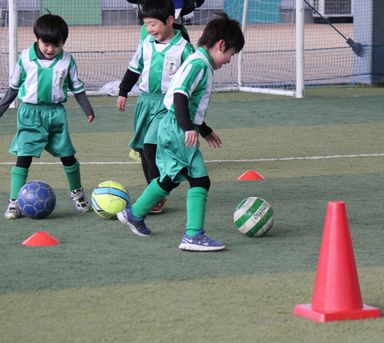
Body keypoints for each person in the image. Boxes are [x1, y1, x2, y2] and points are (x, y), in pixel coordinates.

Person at [117, 12, 245, 251]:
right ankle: (193, 235)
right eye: (231, 54)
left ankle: (134, 214)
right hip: (177, 128)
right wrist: (188, 128)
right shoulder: (199, 64)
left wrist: (203, 129)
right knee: (200, 180)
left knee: (169, 179)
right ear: (221, 45)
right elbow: (179, 95)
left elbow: (186, 98)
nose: (229, 60)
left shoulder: (199, 61)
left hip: (173, 126)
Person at [0, 13, 95, 220]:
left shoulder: (68, 61)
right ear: (37, 38)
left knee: (68, 156)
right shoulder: (25, 58)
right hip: (30, 114)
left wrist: (88, 109)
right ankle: (15, 202)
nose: (51, 49)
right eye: (46, 44)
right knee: (23, 157)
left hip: (55, 115)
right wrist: (2, 108)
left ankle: (77, 194)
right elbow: (13, 88)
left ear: (63, 43)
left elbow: (77, 89)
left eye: (57, 45)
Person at [117, 0, 195, 214]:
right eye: (146, 25)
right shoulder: (146, 45)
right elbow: (134, 69)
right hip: (145, 102)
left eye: (153, 24)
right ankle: (156, 190)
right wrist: (123, 91)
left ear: (170, 21)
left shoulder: (184, 49)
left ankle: (157, 194)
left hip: (168, 104)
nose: (150, 29)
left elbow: (194, 76)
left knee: (151, 145)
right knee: (143, 148)